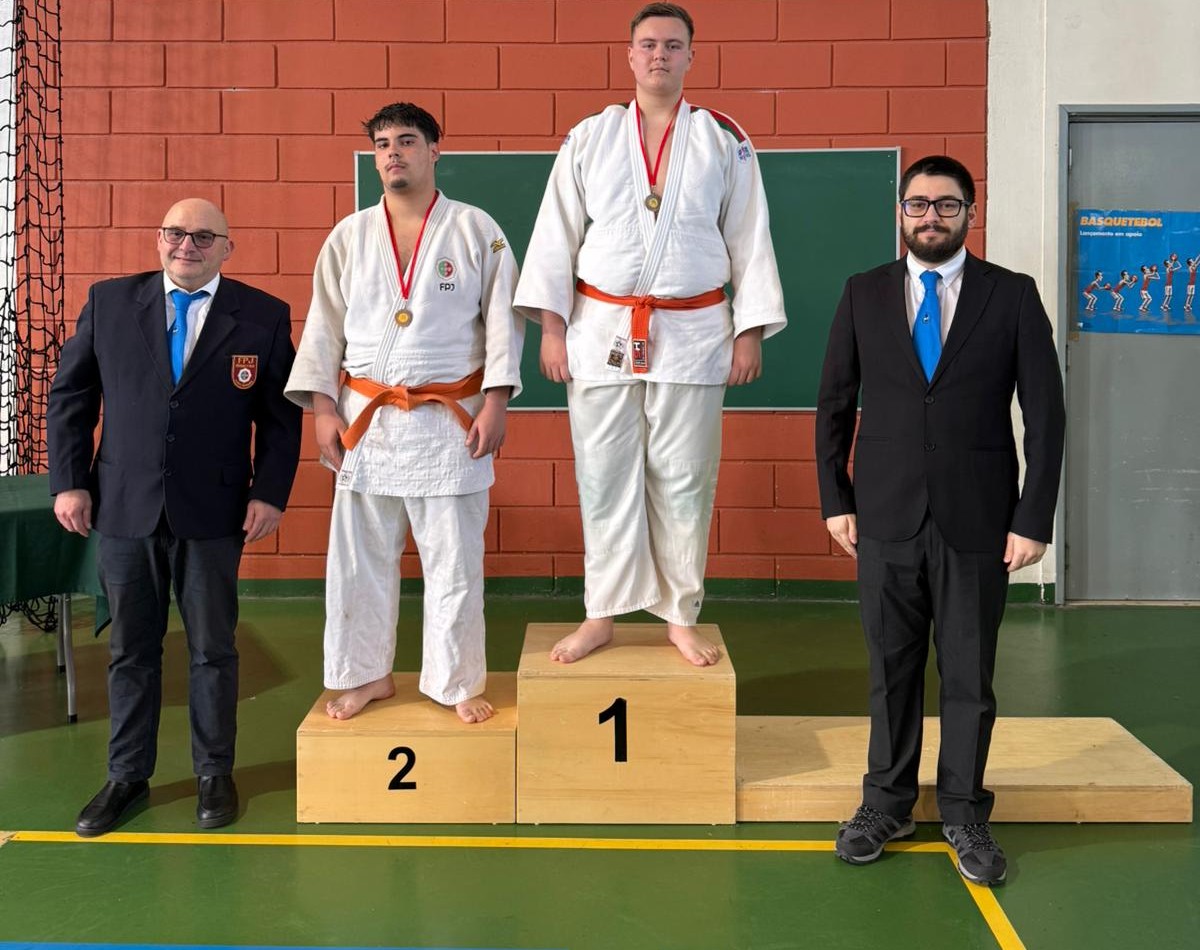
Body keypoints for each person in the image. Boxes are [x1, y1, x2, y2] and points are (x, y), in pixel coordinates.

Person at [815, 156, 1066, 886]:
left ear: (970, 213)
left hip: (979, 519)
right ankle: (884, 804)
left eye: (947, 205)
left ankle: (963, 812)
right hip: (883, 516)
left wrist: (1033, 518)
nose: (931, 216)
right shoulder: (863, 293)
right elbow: (834, 405)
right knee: (890, 671)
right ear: (901, 212)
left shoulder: (1011, 295)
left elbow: (1045, 416)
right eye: (919, 204)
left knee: (968, 676)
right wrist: (836, 499)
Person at [514, 2, 786, 667]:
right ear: (630, 55)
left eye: (672, 44)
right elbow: (555, 236)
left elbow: (749, 235)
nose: (659, 54)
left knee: (685, 478)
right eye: (648, 44)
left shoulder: (724, 138)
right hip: (601, 327)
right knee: (603, 475)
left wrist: (749, 330)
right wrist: (551, 330)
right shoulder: (590, 137)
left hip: (694, 331)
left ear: (692, 55)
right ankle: (600, 612)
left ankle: (680, 615)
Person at [47, 198, 302, 837]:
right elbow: (71, 397)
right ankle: (126, 776)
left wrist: (270, 493)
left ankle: (215, 773)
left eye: (204, 236)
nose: (187, 245)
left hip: (214, 511)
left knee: (213, 648)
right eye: (175, 233)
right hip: (123, 507)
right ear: (158, 239)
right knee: (131, 649)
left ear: (227, 248)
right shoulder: (109, 303)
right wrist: (69, 482)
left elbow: (280, 418)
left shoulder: (263, 316)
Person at [285, 102, 524, 724]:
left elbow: (504, 319)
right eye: (383, 143)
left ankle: (454, 681)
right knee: (359, 561)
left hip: (451, 420)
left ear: (434, 151)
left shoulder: (475, 229)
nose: (393, 152)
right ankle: (365, 675)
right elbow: (324, 326)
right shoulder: (349, 235)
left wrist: (497, 400)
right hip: (367, 419)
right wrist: (322, 410)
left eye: (407, 140)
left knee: (454, 562)